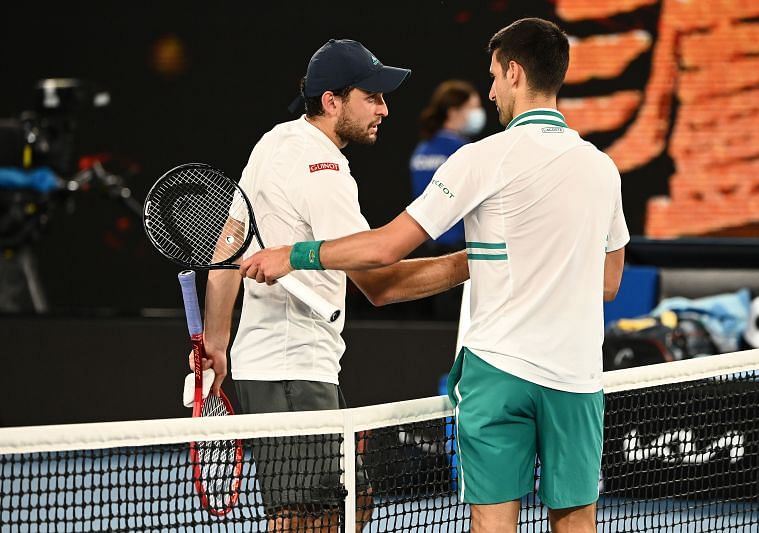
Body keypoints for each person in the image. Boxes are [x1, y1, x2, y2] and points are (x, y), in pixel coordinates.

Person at [239, 18, 629, 533]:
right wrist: (534, 261)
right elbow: (607, 284)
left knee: (492, 522)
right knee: (577, 521)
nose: (488, 91)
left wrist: (296, 255)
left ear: (514, 72)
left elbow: (383, 250)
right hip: (576, 377)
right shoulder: (603, 168)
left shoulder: (479, 159)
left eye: (492, 76)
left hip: (500, 371)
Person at [198, 39, 469, 532]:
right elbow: (380, 284)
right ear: (332, 102)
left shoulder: (273, 142)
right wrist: (475, 262)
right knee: (309, 514)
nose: (384, 109)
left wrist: (217, 341)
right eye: (373, 97)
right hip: (291, 367)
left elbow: (227, 246)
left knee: (342, 502)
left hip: (280, 364)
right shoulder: (322, 169)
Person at [410, 80, 484, 255]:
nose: (477, 114)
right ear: (454, 111)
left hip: (425, 243)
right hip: (456, 247)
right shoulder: (461, 150)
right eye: (473, 108)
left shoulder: (422, 149)